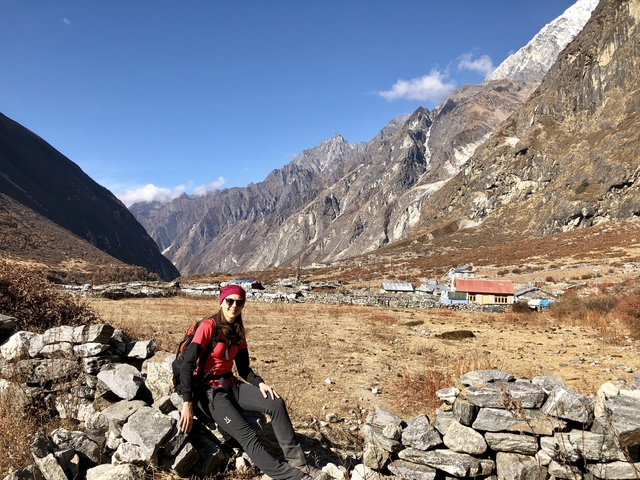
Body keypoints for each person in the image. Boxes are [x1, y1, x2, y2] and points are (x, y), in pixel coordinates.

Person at [177, 284, 318, 480]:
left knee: (275, 403)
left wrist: (260, 383)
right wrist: (187, 403)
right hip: (208, 392)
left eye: (239, 302)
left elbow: (244, 369)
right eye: (230, 301)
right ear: (222, 301)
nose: (234, 305)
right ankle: (292, 477)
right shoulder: (209, 326)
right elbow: (187, 365)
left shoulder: (238, 332)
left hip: (231, 385)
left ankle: (298, 464)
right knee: (247, 434)